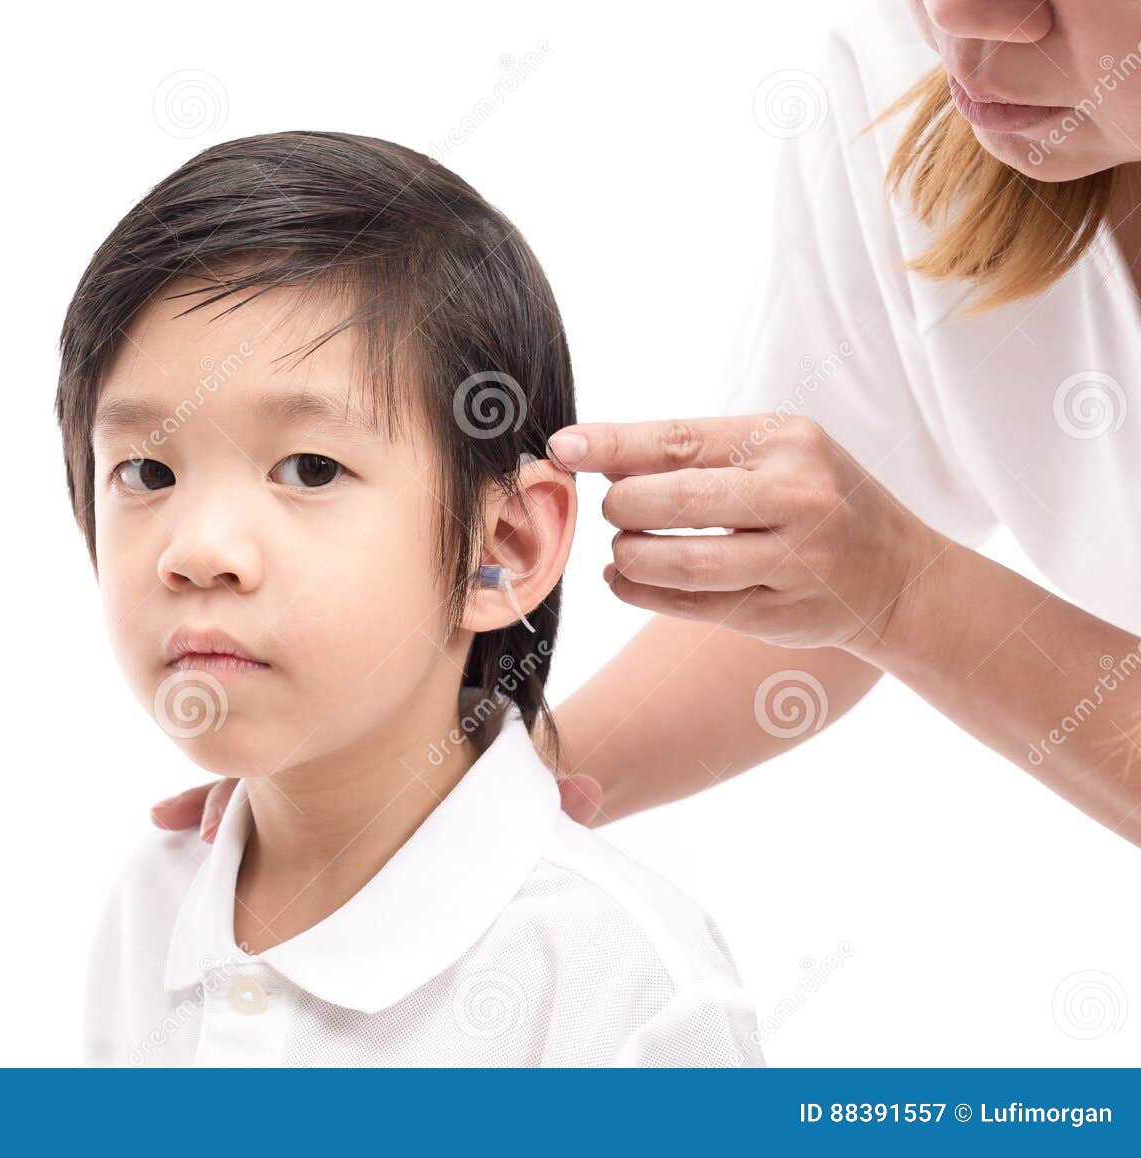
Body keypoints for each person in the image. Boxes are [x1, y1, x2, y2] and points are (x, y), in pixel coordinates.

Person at [155, 0, 1141, 849]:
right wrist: (484, 794)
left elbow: (868, 583)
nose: (964, 19)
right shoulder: (902, 68)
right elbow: (811, 589)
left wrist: (908, 593)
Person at [60, 131, 762, 1065]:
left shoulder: (623, 983)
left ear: (501, 549)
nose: (197, 551)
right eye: (146, 470)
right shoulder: (151, 901)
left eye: (309, 468)